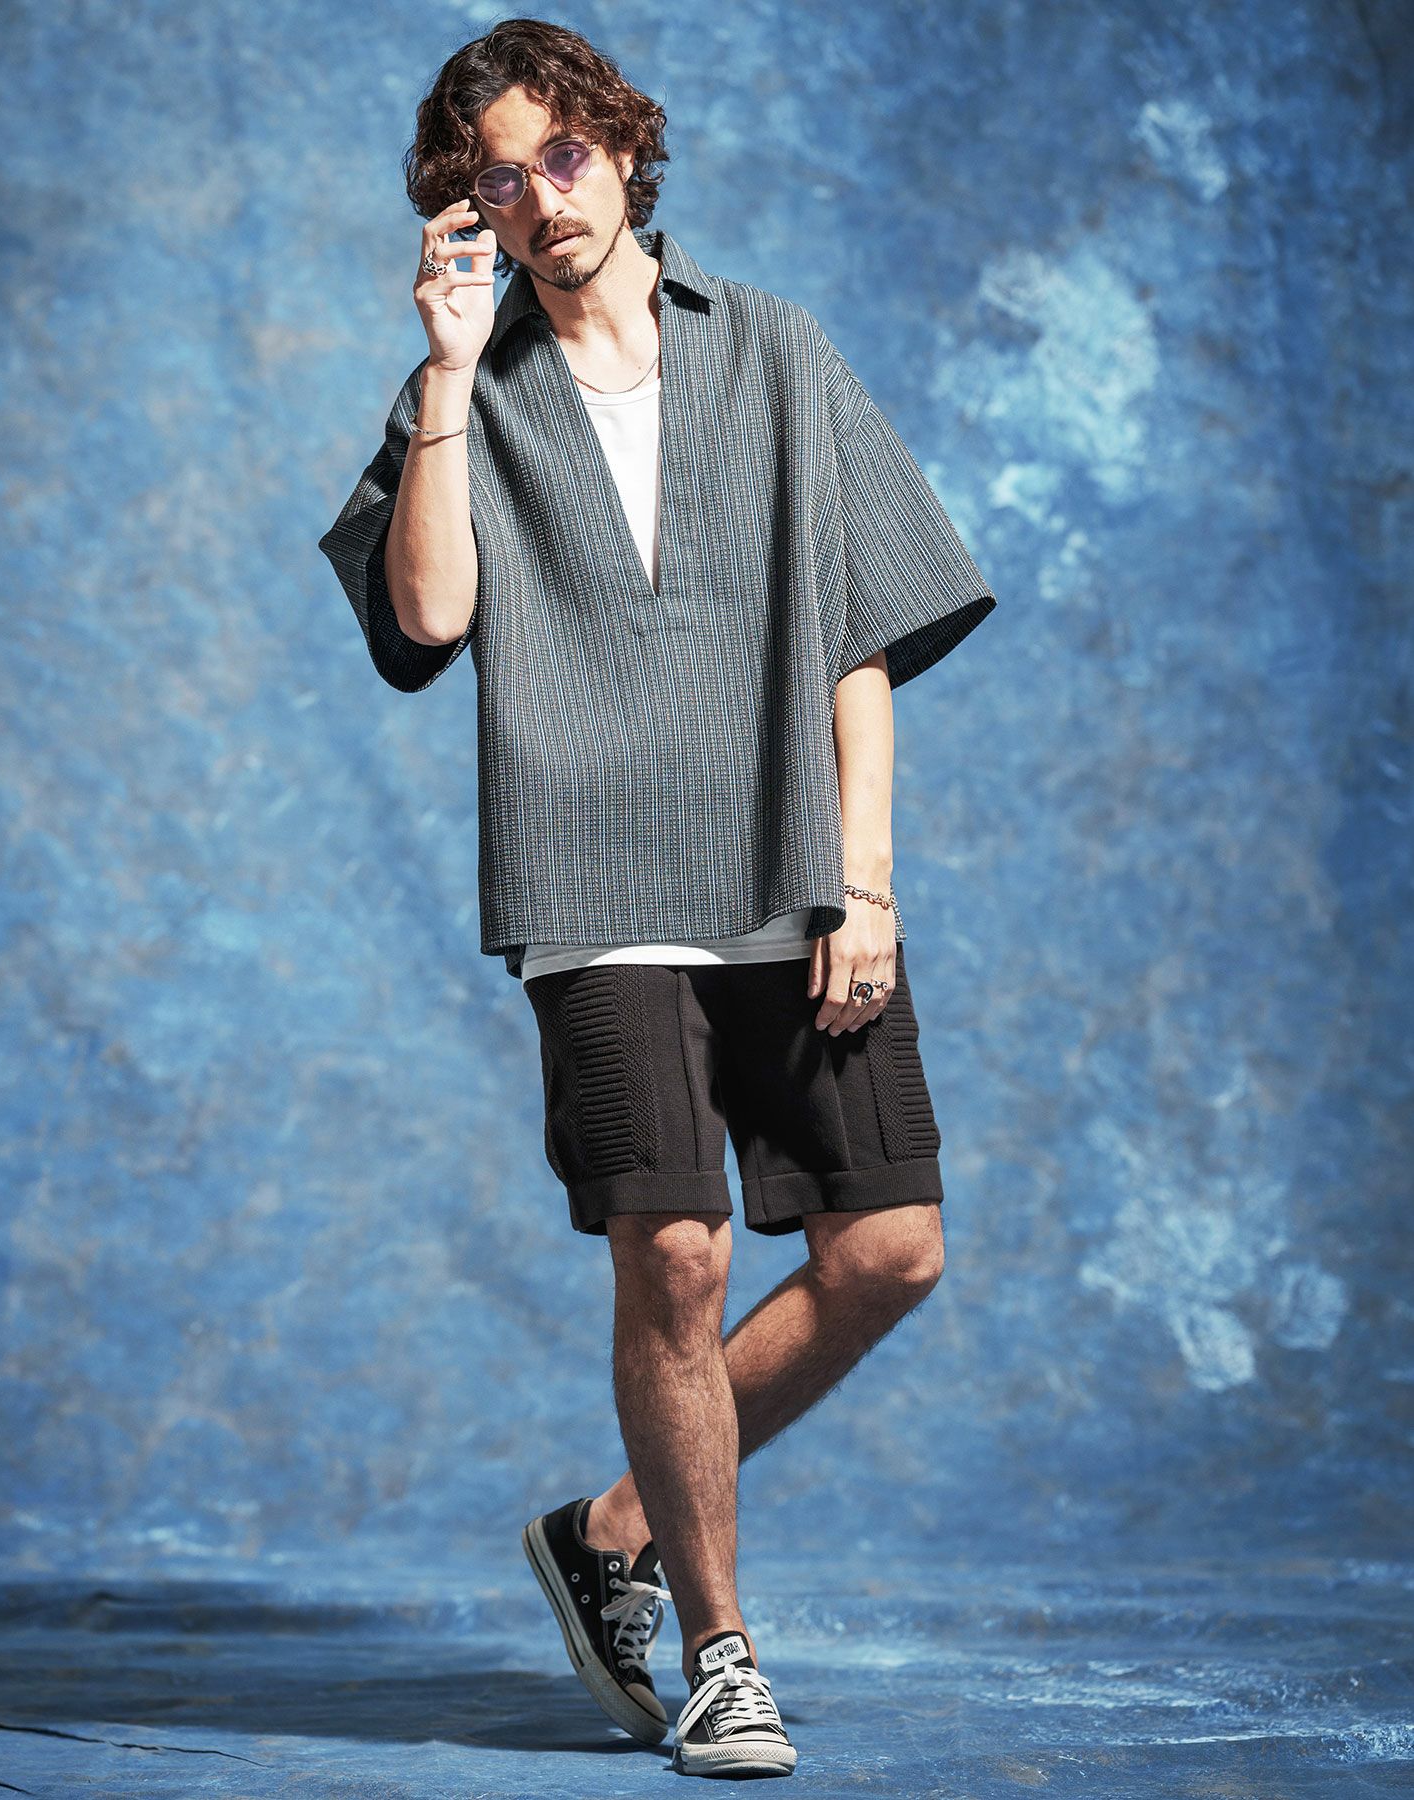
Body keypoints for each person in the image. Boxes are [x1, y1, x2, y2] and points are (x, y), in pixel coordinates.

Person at [319, 20, 997, 1780]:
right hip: (594, 881)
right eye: (497, 181)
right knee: (676, 1255)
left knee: (890, 1250)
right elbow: (430, 617)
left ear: (621, 151)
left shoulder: (771, 347)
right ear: (466, 209)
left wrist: (866, 879)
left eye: (562, 158)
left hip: (791, 865)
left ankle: (609, 1529)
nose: (540, 201)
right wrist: (447, 374)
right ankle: (721, 1654)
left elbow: (856, 638)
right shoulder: (469, 390)